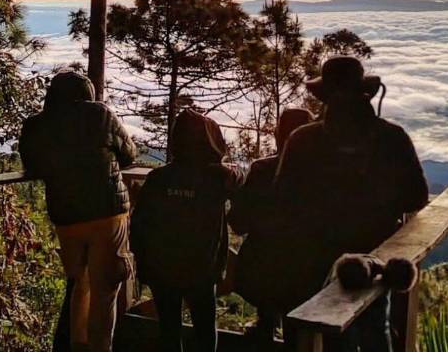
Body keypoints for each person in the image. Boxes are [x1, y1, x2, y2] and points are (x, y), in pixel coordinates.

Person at [275, 56, 428, 352]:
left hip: (312, 256)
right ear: (365, 94)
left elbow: (283, 200)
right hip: (377, 254)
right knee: (375, 327)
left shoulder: (302, 140)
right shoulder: (392, 137)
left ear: (325, 97)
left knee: (331, 334)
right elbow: (417, 197)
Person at [19, 71, 137, 352]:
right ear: (89, 95)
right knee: (105, 289)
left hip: (67, 215)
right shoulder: (100, 114)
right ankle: (101, 348)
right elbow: (129, 153)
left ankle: (77, 345)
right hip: (107, 211)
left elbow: (31, 164)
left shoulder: (37, 125)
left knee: (79, 283)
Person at [130, 109, 244, 352]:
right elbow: (241, 193)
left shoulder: (158, 178)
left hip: (162, 269)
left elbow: (139, 223)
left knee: (169, 331)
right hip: (202, 270)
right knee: (205, 330)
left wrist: (143, 264)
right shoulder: (218, 177)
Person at [228, 108, 314, 350]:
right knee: (296, 335)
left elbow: (238, 221)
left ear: (278, 135)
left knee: (268, 296)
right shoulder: (319, 177)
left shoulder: (261, 170)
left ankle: (265, 325)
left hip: (262, 270)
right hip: (306, 272)